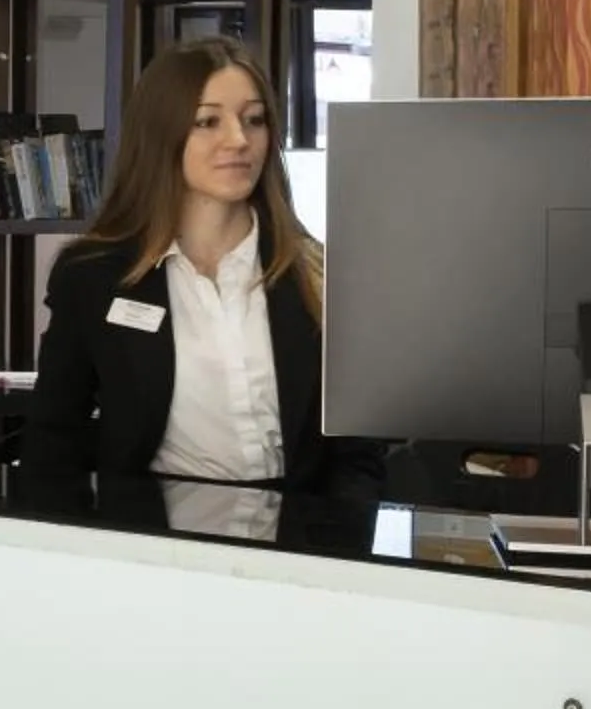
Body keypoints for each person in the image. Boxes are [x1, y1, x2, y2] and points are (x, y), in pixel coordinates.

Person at [23, 36, 384, 498]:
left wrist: (335, 549)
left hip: (299, 540)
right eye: (208, 121)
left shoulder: (317, 273)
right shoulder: (92, 276)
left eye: (254, 120)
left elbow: (357, 453)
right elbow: (53, 439)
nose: (238, 140)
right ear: (162, 135)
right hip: (153, 538)